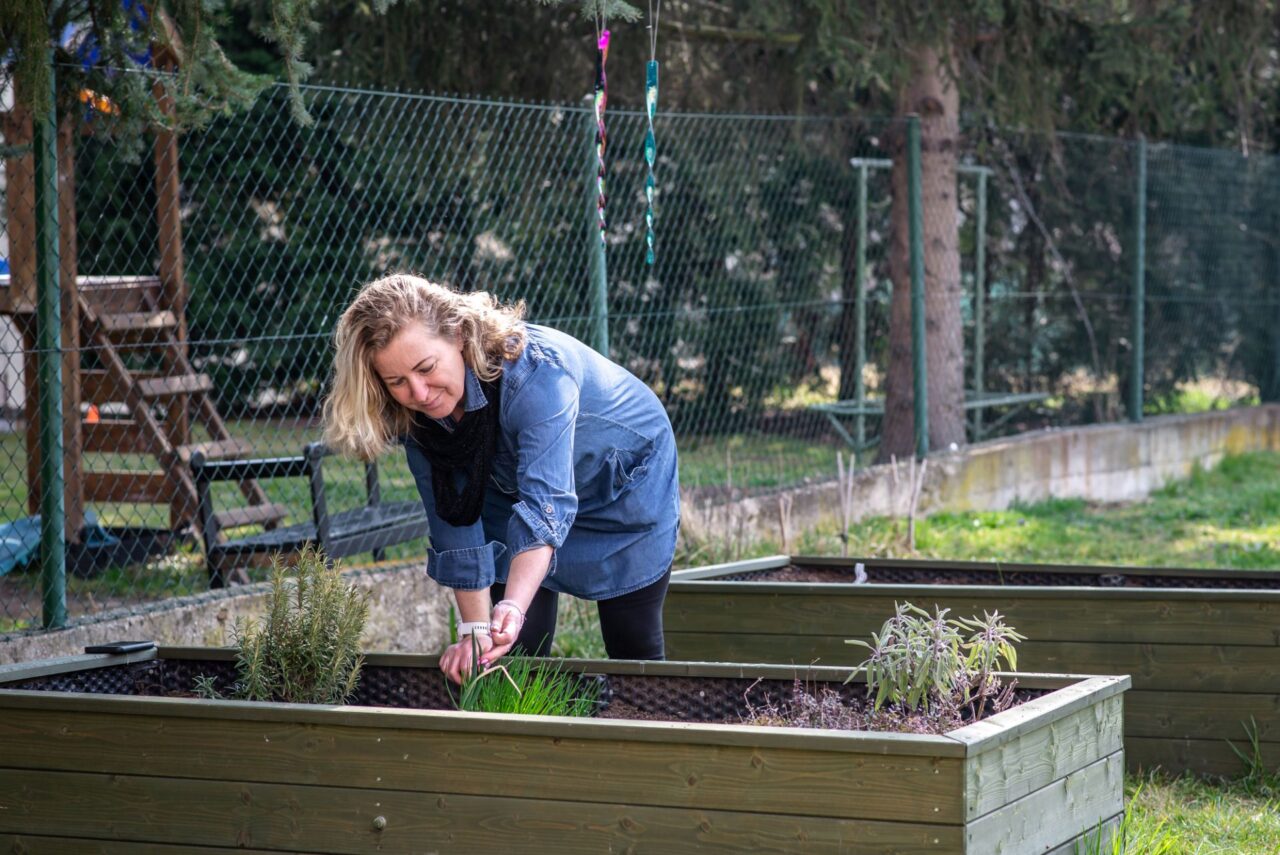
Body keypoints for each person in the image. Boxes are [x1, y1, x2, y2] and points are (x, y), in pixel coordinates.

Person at [323, 274, 680, 683]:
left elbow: (544, 508)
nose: (419, 393)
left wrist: (511, 606)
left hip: (619, 482)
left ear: (458, 336)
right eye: (397, 382)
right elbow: (454, 518)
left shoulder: (536, 375)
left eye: (425, 368)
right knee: (514, 651)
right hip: (509, 490)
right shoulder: (417, 416)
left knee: (632, 646)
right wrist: (476, 634)